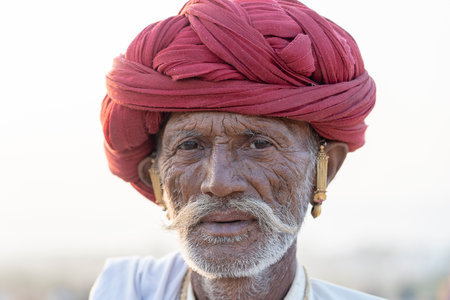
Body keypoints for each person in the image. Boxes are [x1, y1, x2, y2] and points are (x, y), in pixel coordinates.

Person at [90, 0, 383, 299]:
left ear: (325, 168)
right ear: (155, 177)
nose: (219, 183)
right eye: (190, 146)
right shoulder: (122, 291)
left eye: (259, 144)